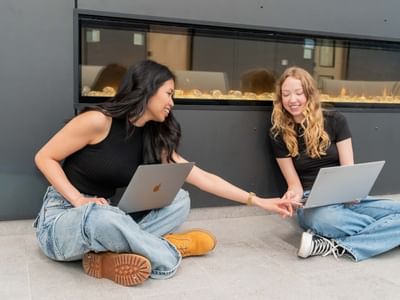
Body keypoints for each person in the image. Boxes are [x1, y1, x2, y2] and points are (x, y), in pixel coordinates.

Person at [34, 60, 301, 287]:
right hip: (64, 217)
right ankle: (170, 251)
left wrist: (259, 201)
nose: (172, 102)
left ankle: (108, 256)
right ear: (148, 90)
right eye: (169, 93)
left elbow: (203, 178)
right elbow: (44, 157)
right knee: (100, 218)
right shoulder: (97, 121)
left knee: (179, 199)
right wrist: (80, 201)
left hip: (109, 213)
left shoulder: (154, 137)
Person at [269, 66, 400, 262]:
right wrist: (292, 195)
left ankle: (334, 245)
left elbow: (349, 169)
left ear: (309, 93)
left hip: (345, 197)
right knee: (325, 220)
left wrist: (352, 192)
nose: (292, 100)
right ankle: (385, 233)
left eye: (298, 93)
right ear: (280, 98)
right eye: (286, 94)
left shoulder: (335, 120)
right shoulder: (278, 133)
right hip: (311, 202)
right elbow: (294, 184)